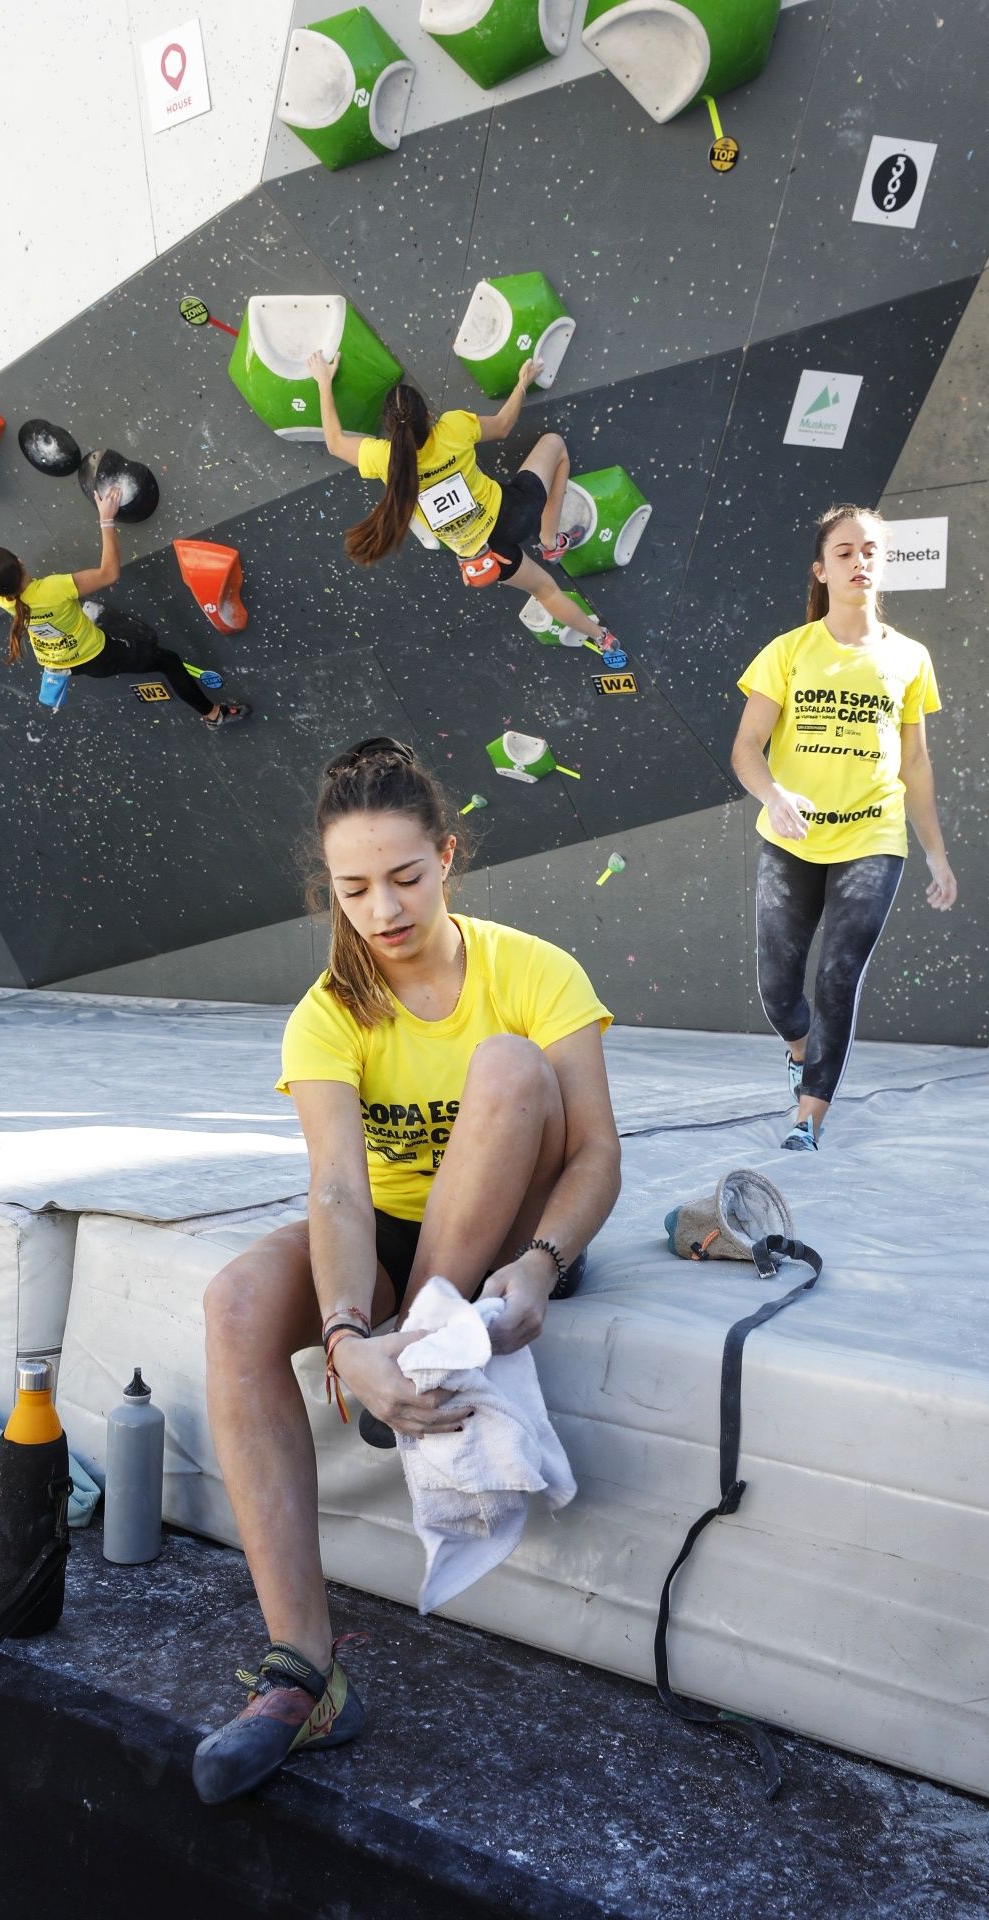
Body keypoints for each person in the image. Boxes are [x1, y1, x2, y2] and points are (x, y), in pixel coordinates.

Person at [192, 737, 620, 1805]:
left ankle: (420, 1345)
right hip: (390, 1230)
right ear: (327, 892)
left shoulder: (533, 969)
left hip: (516, 1231)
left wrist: (540, 1263)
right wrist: (343, 1337)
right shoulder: (327, 1008)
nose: (380, 909)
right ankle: (303, 1669)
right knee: (235, 1298)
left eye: (403, 878)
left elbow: (597, 1154)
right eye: (352, 889)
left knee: (510, 1065)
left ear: (447, 856)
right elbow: (337, 1188)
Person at [731, 503, 958, 1151]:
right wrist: (773, 795)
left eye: (870, 552)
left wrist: (936, 854)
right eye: (845, 552)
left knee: (838, 974)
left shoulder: (911, 658)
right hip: (792, 837)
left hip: (873, 837)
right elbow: (747, 747)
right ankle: (800, 1047)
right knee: (778, 988)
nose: (860, 561)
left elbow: (915, 762)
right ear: (821, 569)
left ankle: (808, 1117)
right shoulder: (787, 652)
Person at [307, 349, 622, 648]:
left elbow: (335, 443)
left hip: (484, 554)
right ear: (428, 416)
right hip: (512, 514)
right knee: (555, 445)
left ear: (390, 430)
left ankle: (602, 638)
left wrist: (323, 383)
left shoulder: (382, 458)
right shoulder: (453, 427)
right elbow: (502, 426)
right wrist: (522, 383)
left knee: (547, 591)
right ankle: (551, 542)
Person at [0, 443, 249, 728]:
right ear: (19, 562)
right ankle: (213, 715)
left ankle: (100, 631)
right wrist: (106, 520)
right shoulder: (52, 589)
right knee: (168, 662)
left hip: (61, 662)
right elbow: (109, 573)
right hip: (98, 656)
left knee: (103, 633)